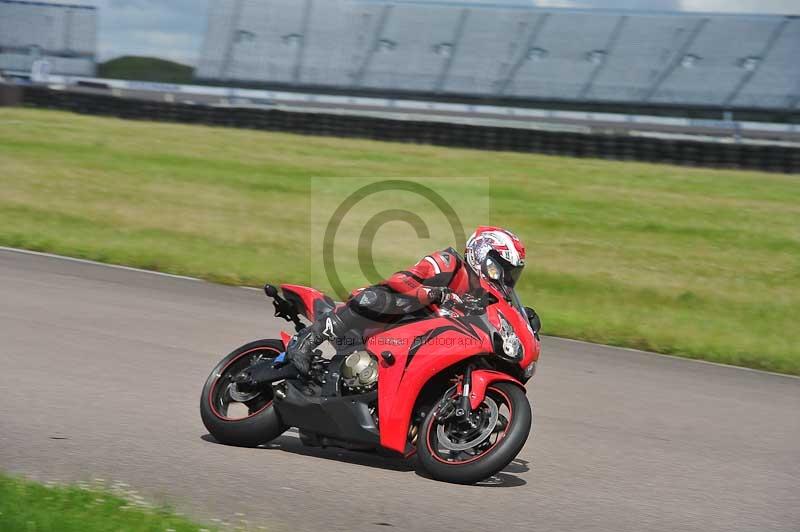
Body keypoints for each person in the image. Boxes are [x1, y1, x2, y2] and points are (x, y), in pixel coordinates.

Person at [284, 226, 527, 375]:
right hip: (386, 319)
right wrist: (432, 293)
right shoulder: (449, 265)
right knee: (381, 298)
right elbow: (401, 281)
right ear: (483, 254)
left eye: (511, 273)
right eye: (501, 268)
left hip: (417, 346)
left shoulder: (483, 298)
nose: (505, 277)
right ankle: (308, 339)